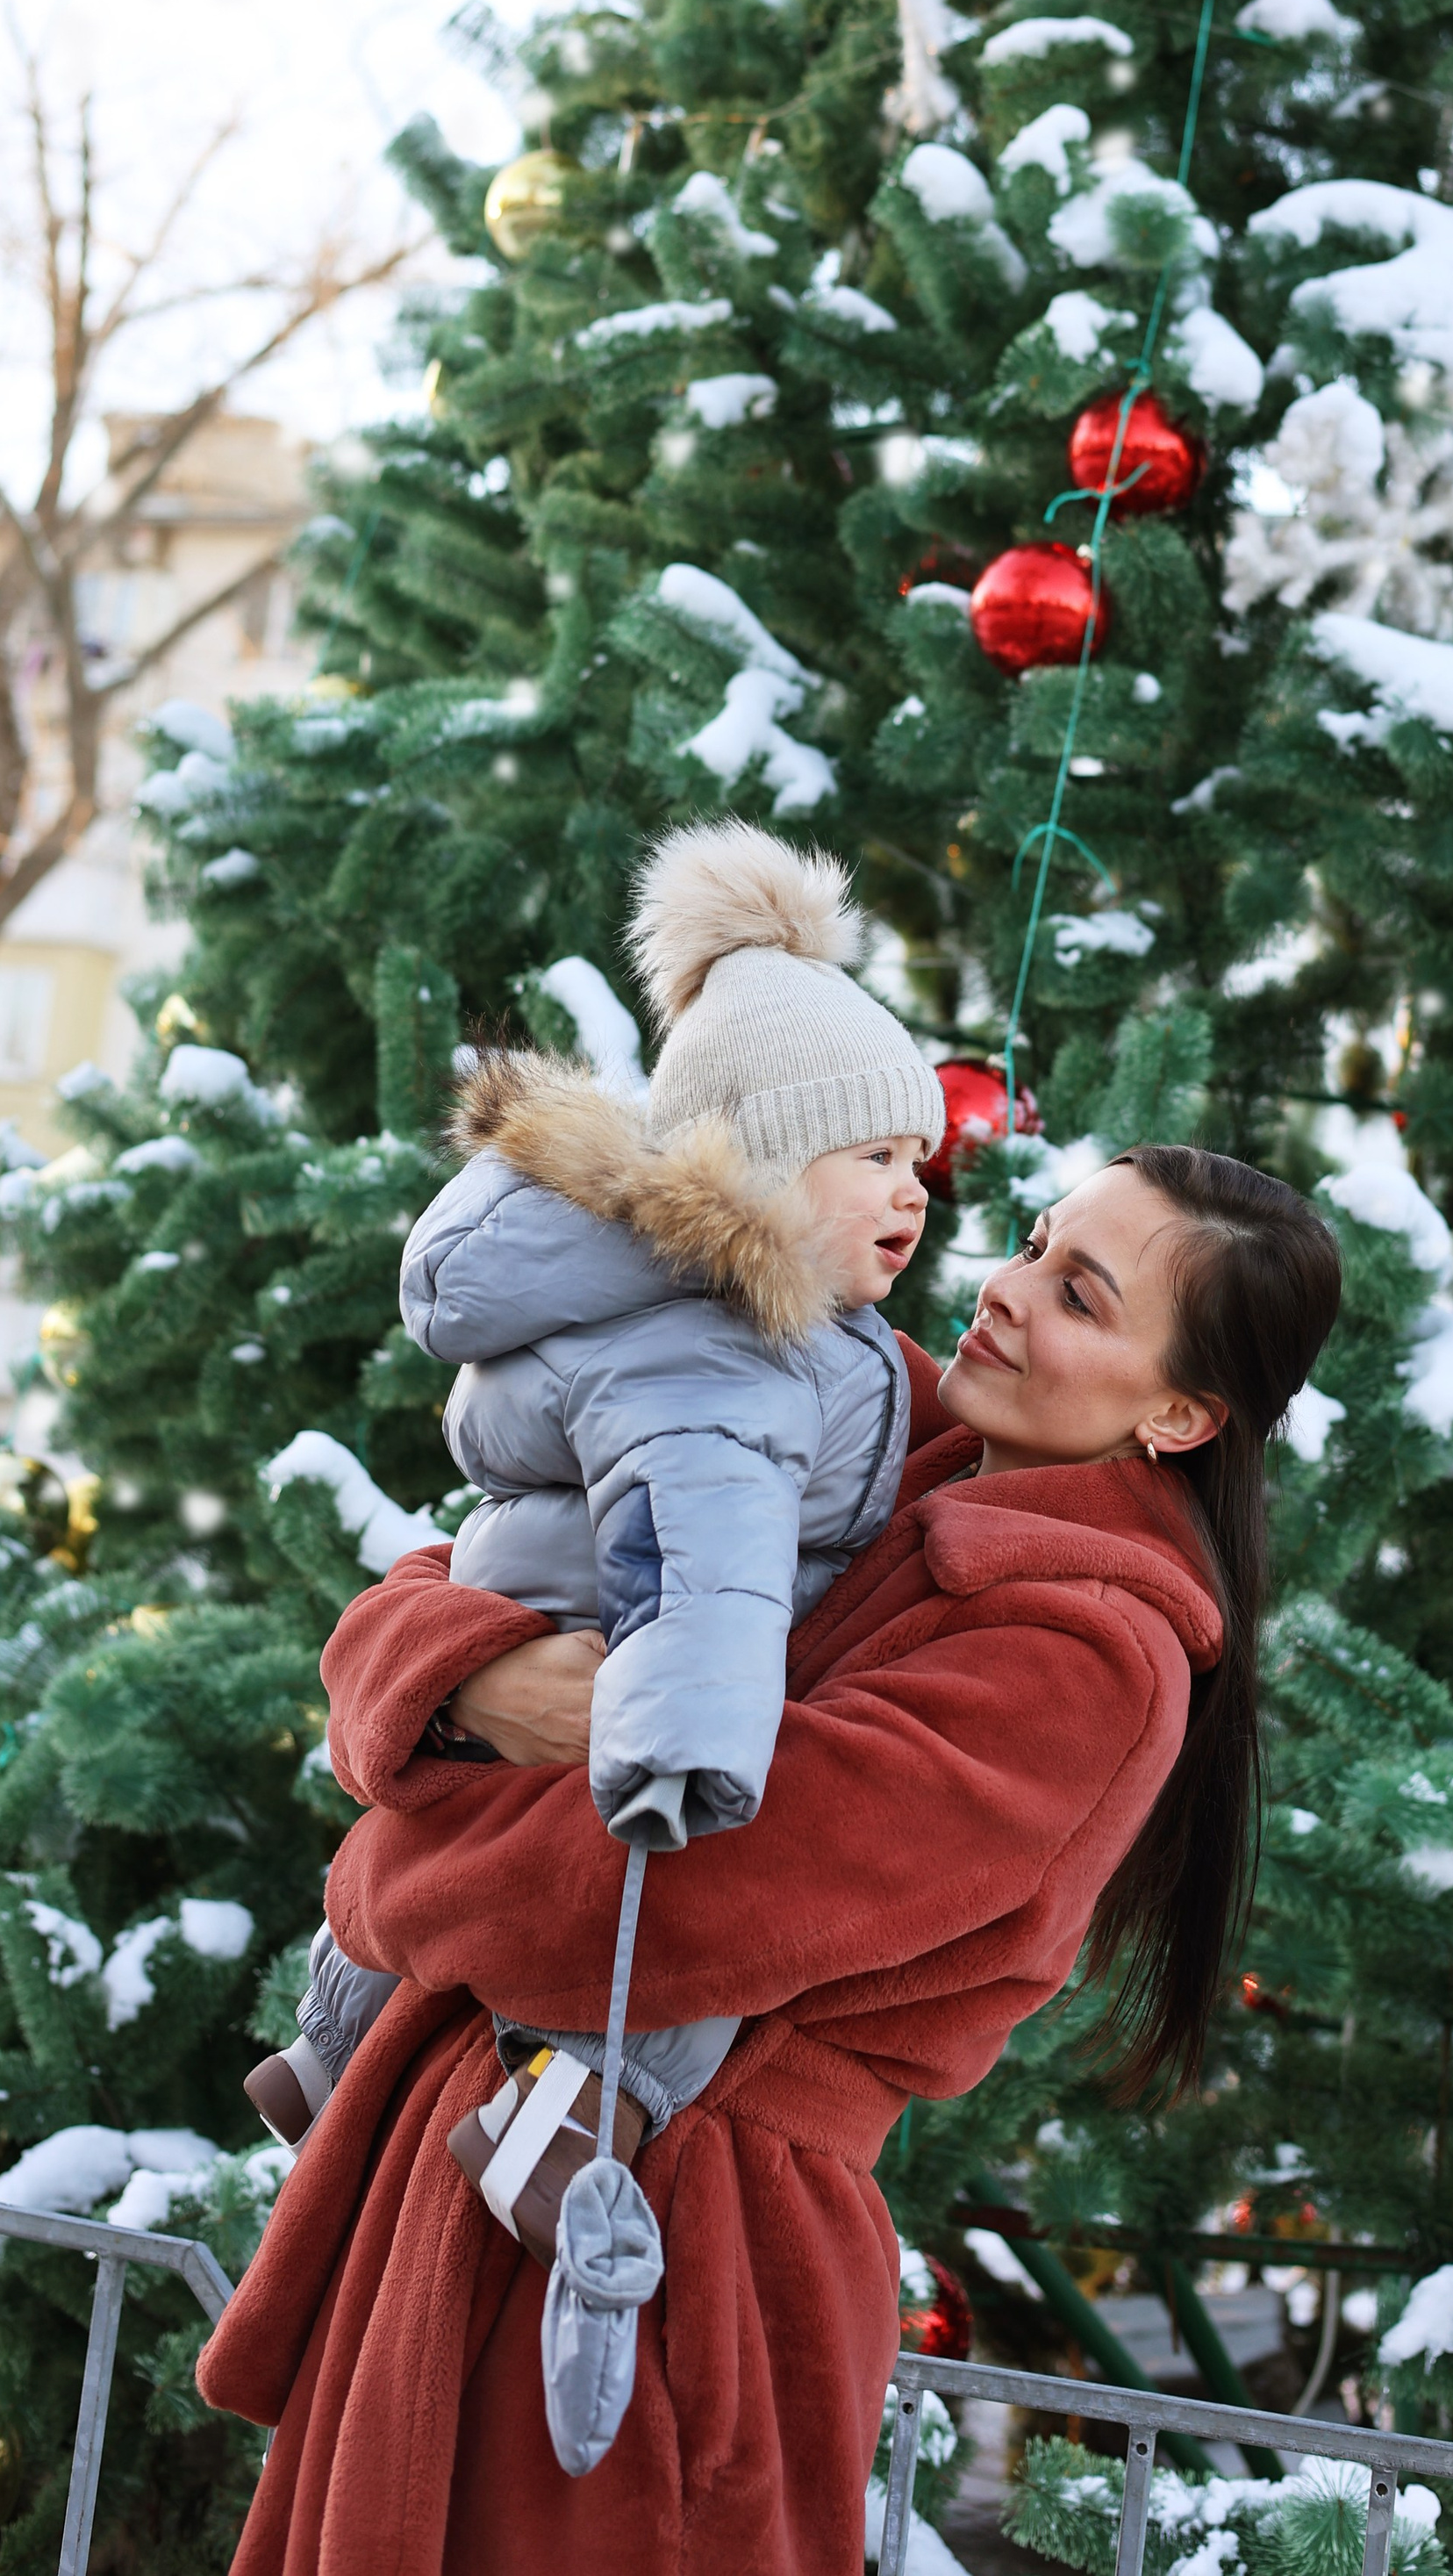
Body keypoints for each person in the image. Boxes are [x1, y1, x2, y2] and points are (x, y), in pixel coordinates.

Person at [199, 1137, 1342, 2576]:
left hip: (666, 2250)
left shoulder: (1084, 1659)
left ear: (1179, 1412)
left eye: (1080, 1295)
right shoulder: (864, 1407)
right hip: (494, 2154)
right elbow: (466, 1564)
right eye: (1037, 1240)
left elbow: (662, 1899)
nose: (1002, 1289)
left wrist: (380, 1871)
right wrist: (474, 1679)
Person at [247, 819, 945, 2233]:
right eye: (875, 1152)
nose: (914, 1190)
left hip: (534, 1601)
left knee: (448, 1846)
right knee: (701, 1923)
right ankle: (571, 2117)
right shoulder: (733, 1348)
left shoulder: (678, 1303)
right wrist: (685, 1744)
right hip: (625, 1657)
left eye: (921, 1157)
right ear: (762, 1163)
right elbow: (709, 1555)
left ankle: (329, 2036)